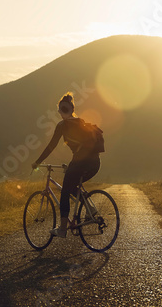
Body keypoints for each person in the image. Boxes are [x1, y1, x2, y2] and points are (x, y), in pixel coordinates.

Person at [31, 92, 101, 238]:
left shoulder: (62, 125)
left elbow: (51, 146)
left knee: (65, 191)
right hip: (95, 163)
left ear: (60, 111)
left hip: (81, 162)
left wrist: (38, 162)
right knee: (71, 187)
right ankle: (91, 210)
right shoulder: (81, 122)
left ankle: (62, 229)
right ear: (72, 109)